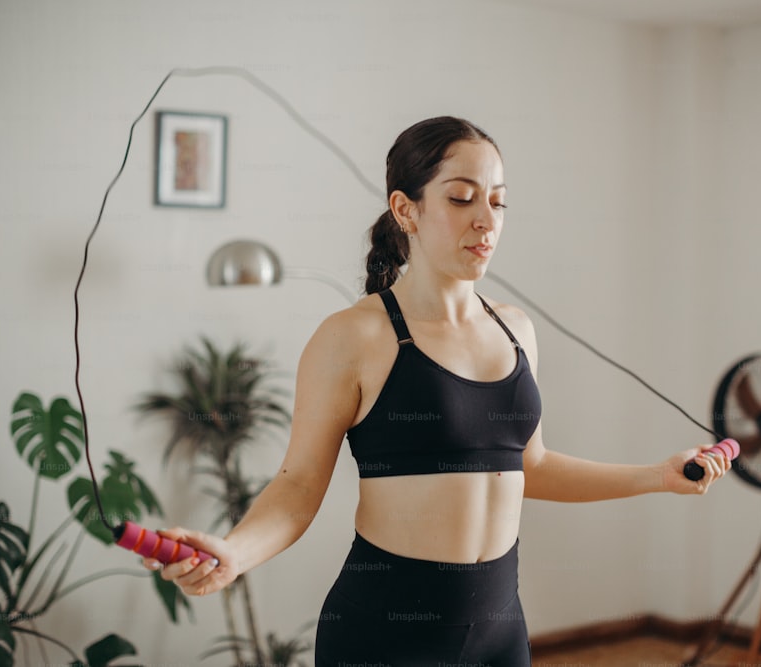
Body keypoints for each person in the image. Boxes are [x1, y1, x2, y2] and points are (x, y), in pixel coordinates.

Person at [143, 116, 730, 666]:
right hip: (384, 632)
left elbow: (533, 466)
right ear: (406, 209)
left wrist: (657, 475)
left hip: (501, 627)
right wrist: (235, 554)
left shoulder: (516, 328)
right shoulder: (354, 336)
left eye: (498, 201)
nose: (486, 219)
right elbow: (297, 485)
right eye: (461, 197)